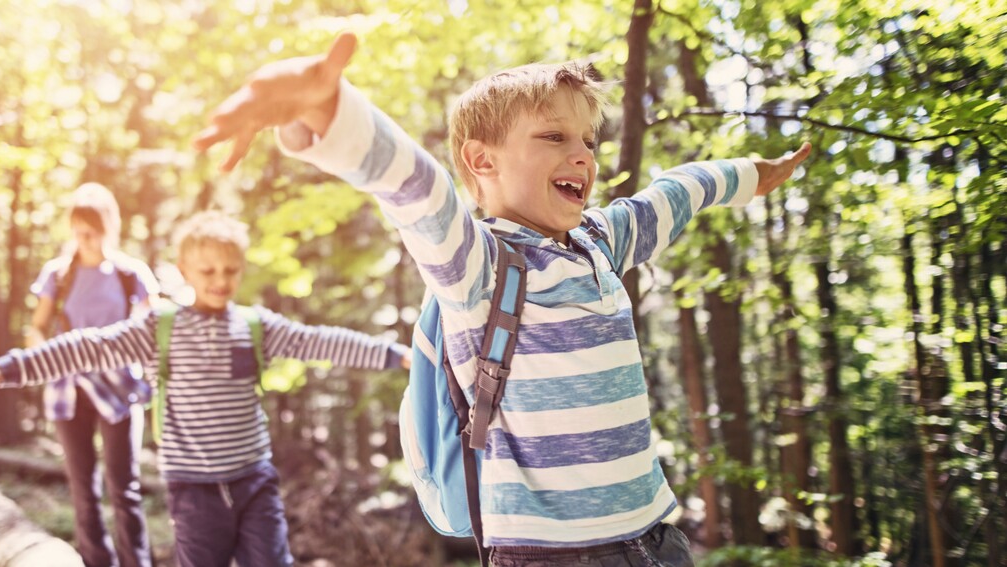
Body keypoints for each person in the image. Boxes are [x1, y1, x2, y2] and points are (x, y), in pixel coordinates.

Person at [191, 33, 810, 566]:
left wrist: (754, 174)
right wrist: (329, 112)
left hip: (656, 537)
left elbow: (677, 193)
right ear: (481, 160)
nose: (582, 155)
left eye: (588, 140)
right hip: (550, 553)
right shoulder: (478, 267)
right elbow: (415, 188)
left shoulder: (600, 241)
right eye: (553, 135)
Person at [0, 210, 411, 567]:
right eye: (207, 272)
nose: (219, 281)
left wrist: (395, 355)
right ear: (185, 270)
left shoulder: (254, 326)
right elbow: (85, 347)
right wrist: (8, 368)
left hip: (254, 481)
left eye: (229, 271)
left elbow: (319, 342)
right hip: (193, 489)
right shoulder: (157, 327)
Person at [26, 182, 157, 567]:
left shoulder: (130, 273)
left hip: (120, 389)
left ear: (109, 228)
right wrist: (36, 353)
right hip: (69, 389)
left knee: (124, 488)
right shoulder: (58, 275)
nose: (86, 239)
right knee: (84, 488)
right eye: (79, 230)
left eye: (93, 230)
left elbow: (157, 322)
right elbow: (38, 326)